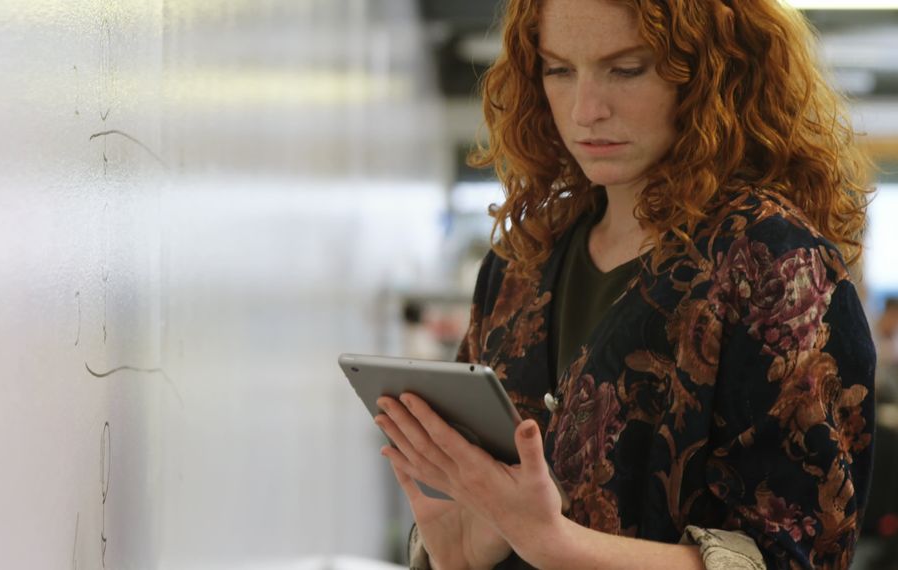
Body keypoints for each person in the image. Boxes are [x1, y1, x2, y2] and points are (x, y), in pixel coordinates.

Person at [372, 0, 877, 568]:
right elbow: (485, 508)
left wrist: (556, 545)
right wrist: (459, 554)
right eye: (559, 70)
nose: (586, 110)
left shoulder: (776, 265)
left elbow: (796, 557)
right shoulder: (521, 259)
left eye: (627, 69)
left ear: (712, 73)